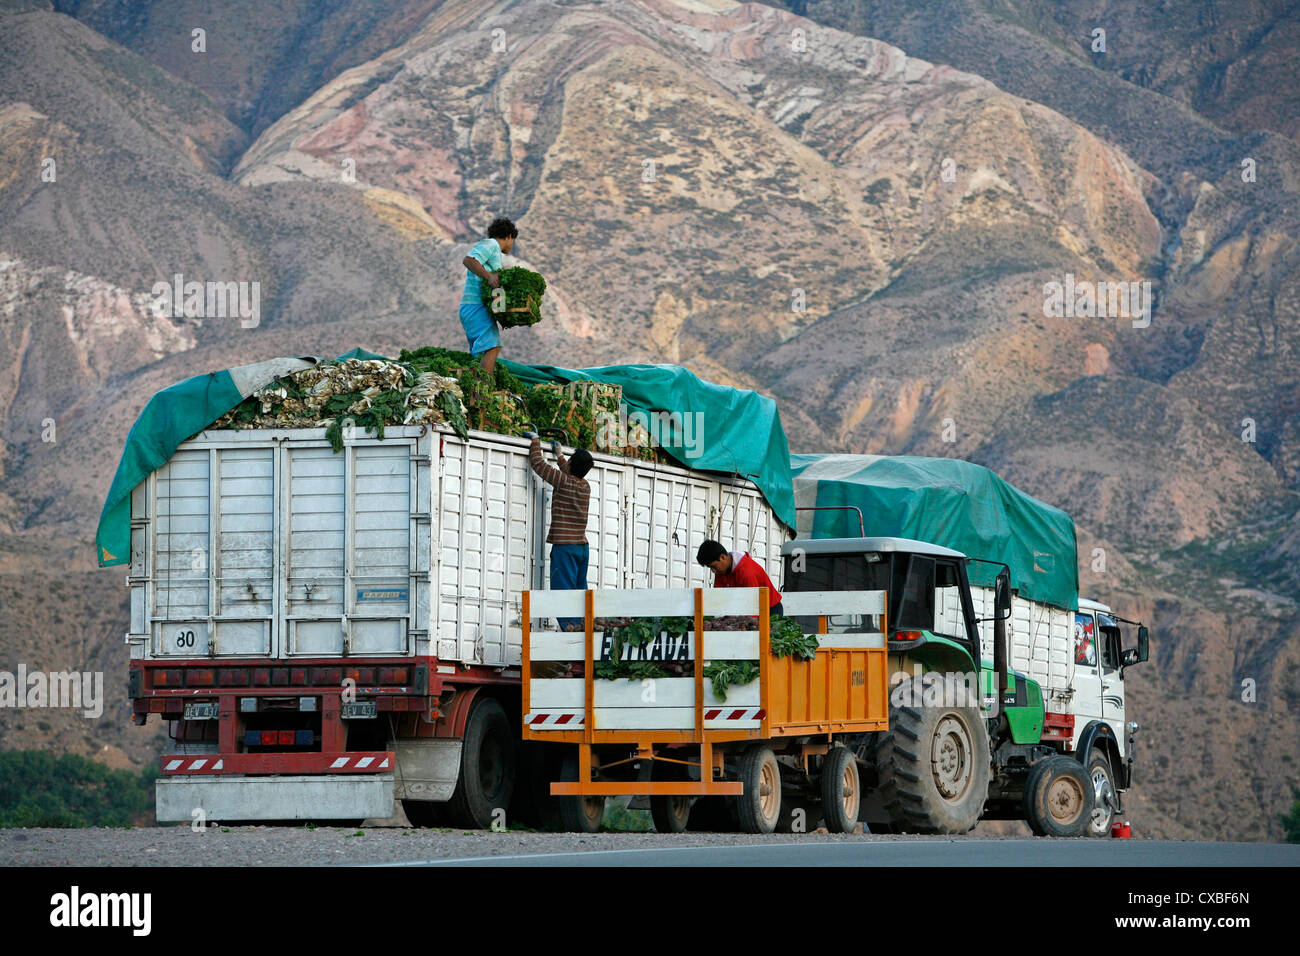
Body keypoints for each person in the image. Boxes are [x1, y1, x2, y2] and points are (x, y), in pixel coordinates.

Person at [526, 432, 594, 630]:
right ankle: (585, 632)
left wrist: (535, 441)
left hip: (565, 547)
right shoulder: (585, 486)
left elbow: (539, 465)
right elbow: (568, 472)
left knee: (562, 593)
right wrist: (560, 455)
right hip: (582, 548)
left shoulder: (563, 482)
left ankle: (570, 634)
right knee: (579, 594)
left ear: (573, 465)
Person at [460, 217, 517, 376]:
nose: (512, 245)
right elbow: (469, 260)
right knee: (492, 347)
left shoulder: (494, 252)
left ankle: (476, 392)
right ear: (509, 237)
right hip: (475, 306)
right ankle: (483, 392)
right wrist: (489, 277)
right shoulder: (491, 244)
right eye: (513, 241)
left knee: (480, 354)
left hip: (474, 307)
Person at [696, 539, 784, 616]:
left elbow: (753, 606)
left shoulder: (747, 573)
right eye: (710, 568)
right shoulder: (721, 570)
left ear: (722, 557)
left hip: (769, 610)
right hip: (745, 609)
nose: (713, 571)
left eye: (714, 566)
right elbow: (720, 598)